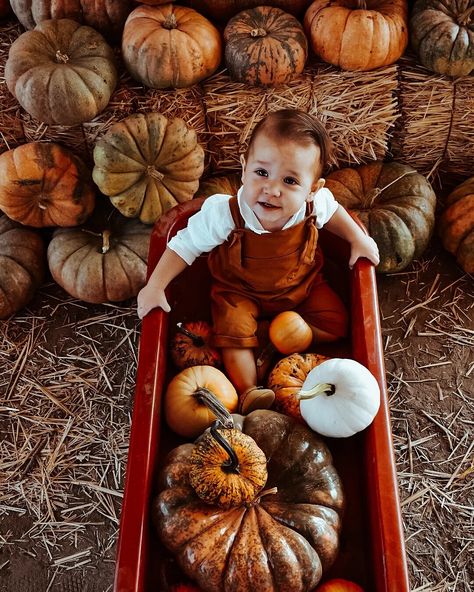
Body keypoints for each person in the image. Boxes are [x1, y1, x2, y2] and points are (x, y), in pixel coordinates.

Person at [137, 109, 379, 414]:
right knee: (232, 334)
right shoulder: (224, 215)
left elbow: (336, 215)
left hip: (303, 286)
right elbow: (183, 244)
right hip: (239, 293)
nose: (272, 189)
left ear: (312, 189)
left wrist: (357, 239)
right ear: (244, 168)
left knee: (338, 323)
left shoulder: (314, 205)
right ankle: (250, 390)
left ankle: (277, 338)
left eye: (290, 180)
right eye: (261, 173)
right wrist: (155, 285)